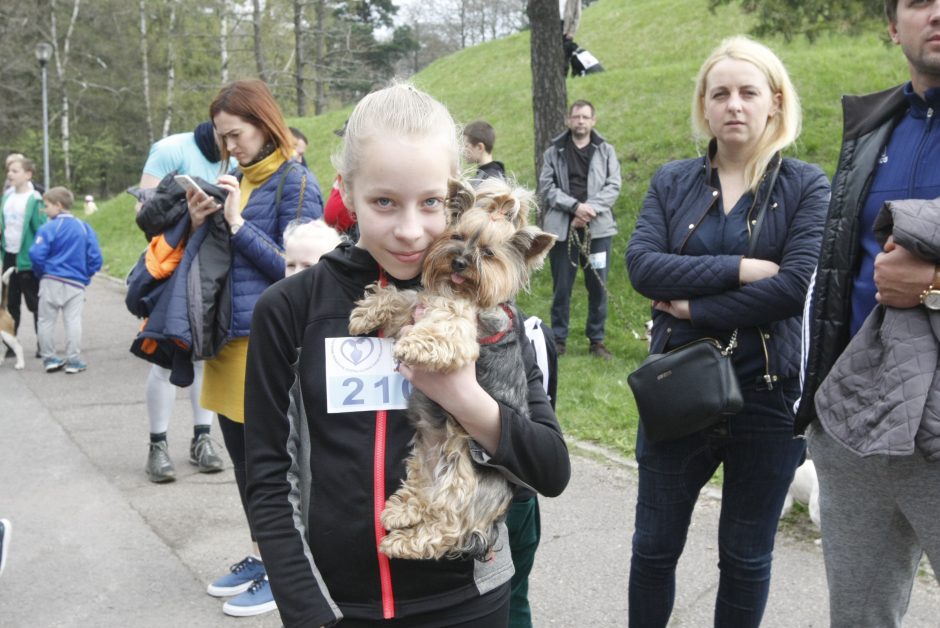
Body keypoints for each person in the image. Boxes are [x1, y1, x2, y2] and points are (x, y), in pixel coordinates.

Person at [243, 82, 570, 627]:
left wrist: (466, 399)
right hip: (337, 606)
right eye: (384, 202)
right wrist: (308, 611)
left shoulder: (492, 315)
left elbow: (551, 469)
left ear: (455, 197)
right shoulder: (290, 309)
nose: (411, 230)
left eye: (432, 203)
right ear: (345, 191)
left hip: (472, 602)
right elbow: (269, 479)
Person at [625, 36, 829, 627]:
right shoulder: (672, 181)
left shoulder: (806, 186)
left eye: (748, 92)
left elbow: (792, 288)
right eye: (721, 93)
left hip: (767, 396)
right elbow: (643, 267)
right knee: (653, 548)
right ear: (705, 106)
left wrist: (692, 309)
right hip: (677, 388)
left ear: (774, 102)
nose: (734, 104)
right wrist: (741, 270)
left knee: (745, 558)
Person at [796, 2, 940, 626]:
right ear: (892, 25)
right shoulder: (871, 127)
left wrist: (935, 282)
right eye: (917, 0)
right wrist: (814, 407)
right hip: (854, 423)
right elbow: (835, 270)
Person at [188, 79, 322, 618]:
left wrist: (238, 223)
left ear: (265, 123)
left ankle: (285, 568)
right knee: (245, 465)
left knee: (272, 468)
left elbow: (297, 276)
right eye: (222, 139)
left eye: (235, 134)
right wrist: (203, 216)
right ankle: (260, 552)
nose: (230, 147)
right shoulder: (238, 180)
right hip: (227, 341)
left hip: (266, 346)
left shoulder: (298, 184)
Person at [135, 121, 231, 484]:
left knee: (204, 355)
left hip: (213, 265)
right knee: (163, 355)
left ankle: (202, 439)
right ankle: (157, 445)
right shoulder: (171, 150)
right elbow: (144, 213)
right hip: (172, 265)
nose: (233, 143)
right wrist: (187, 217)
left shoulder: (237, 157)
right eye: (228, 134)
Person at [538, 99, 621, 360]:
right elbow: (547, 188)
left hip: (598, 230)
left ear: (593, 120)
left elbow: (613, 186)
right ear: (568, 120)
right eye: (576, 117)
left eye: (586, 117)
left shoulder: (605, 150)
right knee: (562, 287)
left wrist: (588, 211)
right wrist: (574, 208)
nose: (581, 121)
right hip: (564, 229)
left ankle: (596, 340)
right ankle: (559, 339)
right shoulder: (554, 152)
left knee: (598, 286)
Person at [28, 186, 103, 373]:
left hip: (50, 279)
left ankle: (49, 358)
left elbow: (36, 254)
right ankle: (73, 359)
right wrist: (86, 275)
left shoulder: (48, 228)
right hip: (75, 282)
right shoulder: (83, 227)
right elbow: (96, 258)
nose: (45, 210)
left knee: (45, 321)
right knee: (73, 321)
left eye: (47, 206)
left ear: (58, 205)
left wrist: (42, 272)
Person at [0, 157, 45, 359]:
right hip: (9, 256)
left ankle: (43, 344)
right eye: (9, 170)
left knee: (35, 304)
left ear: (28, 174)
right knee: (10, 304)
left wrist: (39, 256)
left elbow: (41, 230)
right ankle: (10, 344)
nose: (10, 174)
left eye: (15, 171)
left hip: (28, 259)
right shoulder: (6, 198)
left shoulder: (35, 199)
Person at [463, 120, 506, 184]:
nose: (463, 150)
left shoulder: (491, 180)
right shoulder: (488, 173)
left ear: (480, 147)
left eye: (466, 146)